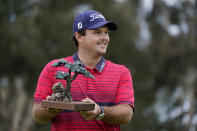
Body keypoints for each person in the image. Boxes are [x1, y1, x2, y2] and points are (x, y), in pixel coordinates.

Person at [32, 10, 135, 131]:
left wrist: (100, 111)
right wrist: (50, 109)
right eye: (97, 33)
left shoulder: (121, 72)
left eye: (106, 33)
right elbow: (37, 114)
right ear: (79, 37)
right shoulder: (53, 68)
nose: (105, 38)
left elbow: (126, 114)